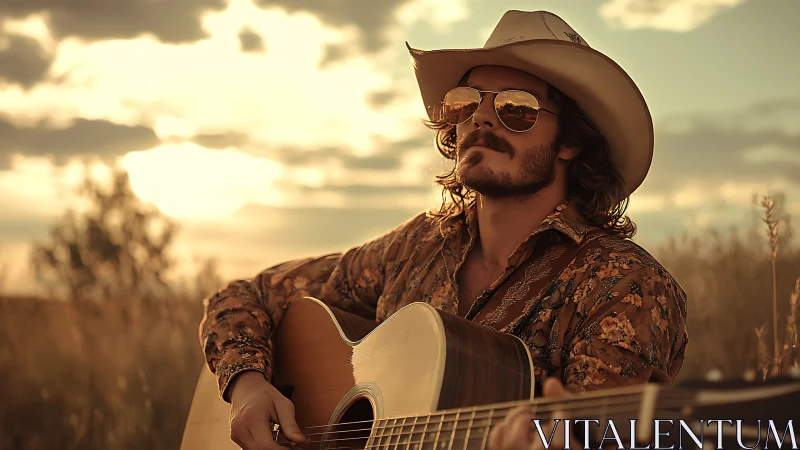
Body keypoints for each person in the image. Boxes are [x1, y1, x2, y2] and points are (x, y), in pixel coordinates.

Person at [199, 10, 688, 450]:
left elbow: (602, 435)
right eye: (465, 102)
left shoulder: (626, 284)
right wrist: (247, 384)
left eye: (516, 108)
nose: (481, 117)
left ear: (570, 142)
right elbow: (246, 296)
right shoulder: (416, 246)